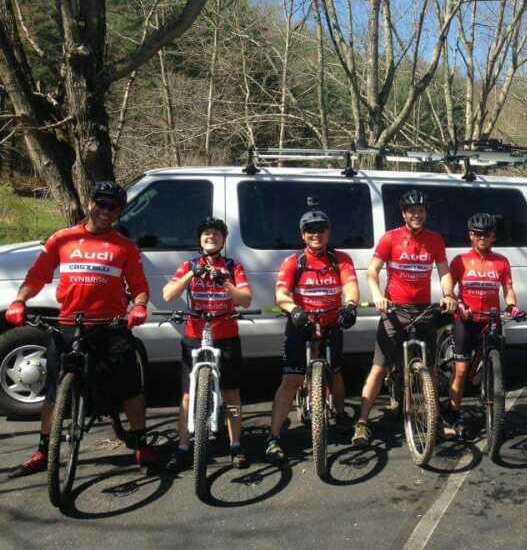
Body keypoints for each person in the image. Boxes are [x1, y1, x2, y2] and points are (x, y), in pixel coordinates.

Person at [5, 181, 155, 478]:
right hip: (69, 325)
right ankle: (43, 451)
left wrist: (138, 306)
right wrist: (19, 300)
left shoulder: (124, 246)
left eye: (113, 207)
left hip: (109, 327)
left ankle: (141, 445)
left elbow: (139, 287)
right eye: (101, 203)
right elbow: (37, 276)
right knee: (52, 394)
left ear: (119, 212)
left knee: (130, 390)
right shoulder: (63, 238)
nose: (105, 211)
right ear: (90, 204)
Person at [351, 189, 458, 447]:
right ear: (404, 214)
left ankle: (434, 416)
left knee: (430, 369)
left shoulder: (435, 240)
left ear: (426, 213)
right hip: (394, 310)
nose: (416, 215)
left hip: (423, 310)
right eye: (412, 211)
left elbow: (443, 270)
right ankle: (363, 423)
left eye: (421, 211)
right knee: (379, 367)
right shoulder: (391, 238)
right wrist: (377, 295)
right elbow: (372, 271)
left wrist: (448, 293)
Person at [264, 209, 360, 463]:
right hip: (301, 323)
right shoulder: (293, 262)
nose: (316, 234)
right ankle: (273, 438)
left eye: (321, 229)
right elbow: (282, 294)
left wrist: (350, 306)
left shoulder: (340, 259)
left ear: (328, 232)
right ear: (302, 235)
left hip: (331, 322)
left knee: (336, 373)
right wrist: (294, 310)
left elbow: (350, 285)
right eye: (310, 230)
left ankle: (340, 414)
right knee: (291, 380)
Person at [162, 217, 253, 471]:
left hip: (226, 335)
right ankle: (182, 446)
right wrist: (193, 273)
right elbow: (168, 295)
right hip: (194, 334)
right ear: (200, 240)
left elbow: (245, 300)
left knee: (231, 392)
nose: (210, 237)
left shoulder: (233, 266)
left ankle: (236, 445)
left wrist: (224, 281)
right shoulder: (189, 265)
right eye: (206, 234)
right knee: (188, 395)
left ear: (223, 240)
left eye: (216, 234)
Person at [444, 213, 521, 439]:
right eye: (477, 234)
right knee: (461, 370)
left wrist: (513, 305)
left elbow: (508, 289)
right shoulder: (460, 260)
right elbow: (451, 289)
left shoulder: (501, 261)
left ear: (493, 236)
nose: (482, 238)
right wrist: (458, 304)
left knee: (495, 367)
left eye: (486, 234)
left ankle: (495, 415)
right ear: (470, 235)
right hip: (466, 320)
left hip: (491, 319)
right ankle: (453, 413)